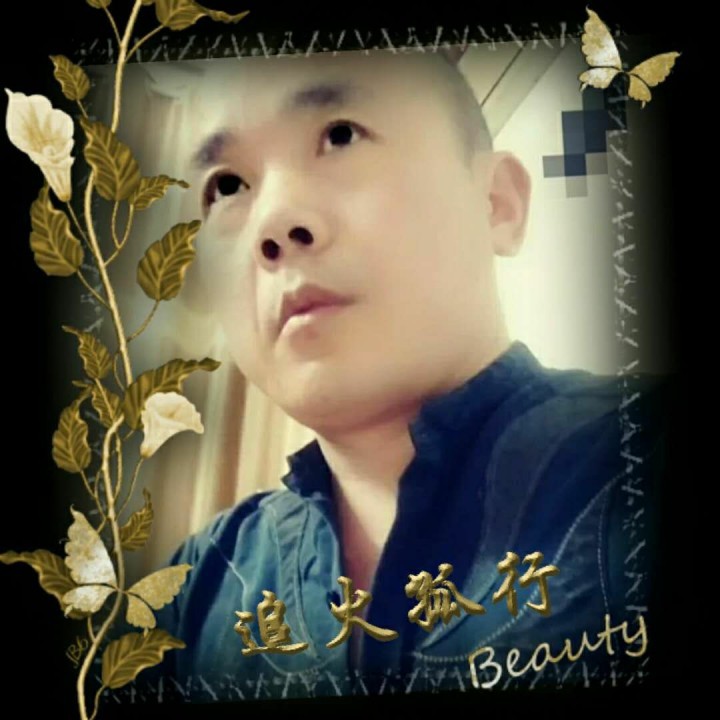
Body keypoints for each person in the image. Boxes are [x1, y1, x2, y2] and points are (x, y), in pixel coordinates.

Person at [123, 47, 672, 704]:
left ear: (496, 203)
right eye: (227, 186)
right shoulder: (193, 588)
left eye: (340, 135)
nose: (273, 223)